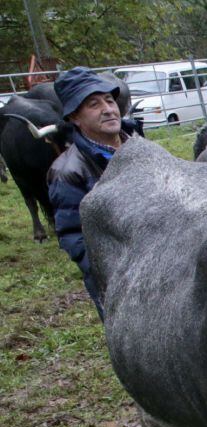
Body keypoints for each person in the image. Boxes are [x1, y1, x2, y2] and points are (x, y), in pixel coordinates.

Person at [47, 67, 137, 319]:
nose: (108, 109)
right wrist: (114, 273)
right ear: (75, 116)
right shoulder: (67, 171)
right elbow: (72, 235)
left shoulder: (142, 148)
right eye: (94, 104)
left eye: (109, 100)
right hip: (120, 279)